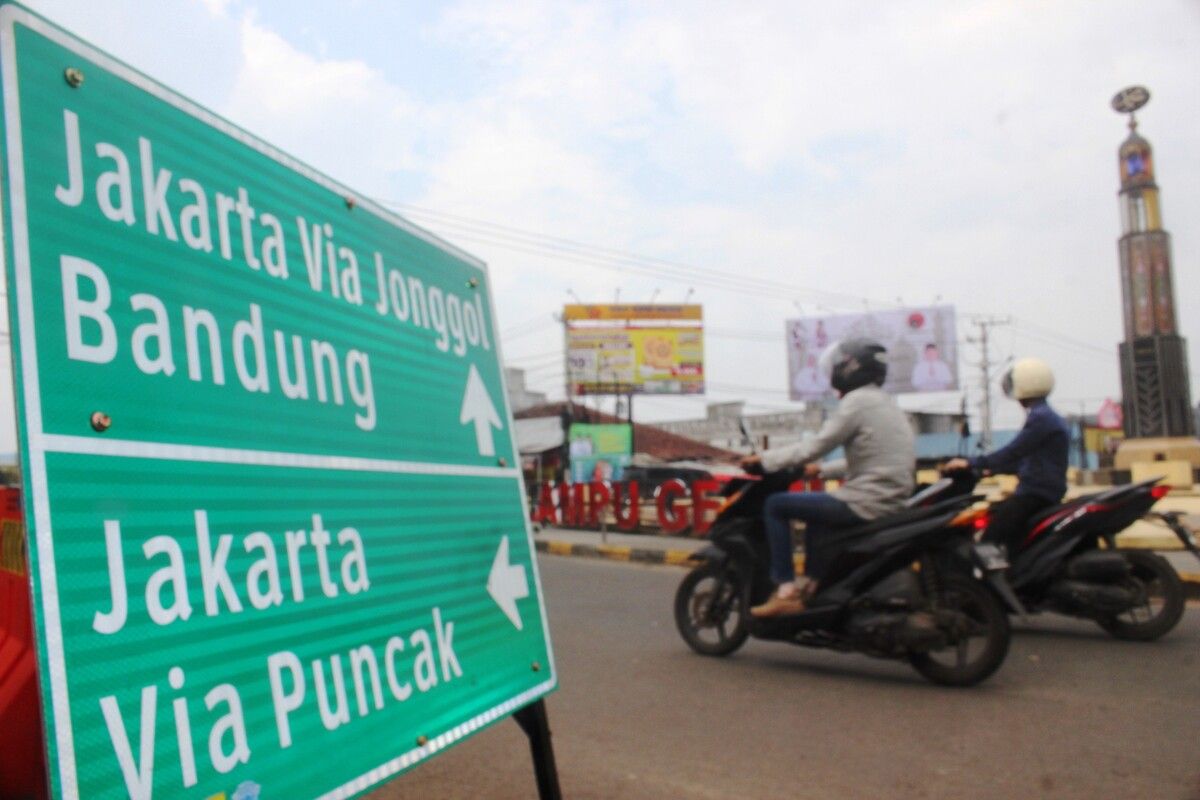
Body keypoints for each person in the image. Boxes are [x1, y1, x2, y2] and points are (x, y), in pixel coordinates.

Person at [740, 339, 916, 617]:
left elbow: (814, 447)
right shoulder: (887, 404)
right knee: (816, 510)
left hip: (866, 501)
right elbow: (870, 456)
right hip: (891, 497)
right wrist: (821, 471)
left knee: (776, 505)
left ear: (850, 368)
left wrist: (764, 460)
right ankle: (813, 584)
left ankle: (785, 590)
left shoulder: (856, 403)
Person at [944, 358, 1069, 555]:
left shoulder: (1040, 418)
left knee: (990, 538)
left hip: (1035, 494)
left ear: (1027, 384)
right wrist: (989, 470)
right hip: (1042, 492)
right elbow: (1025, 460)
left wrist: (969, 462)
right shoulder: (1046, 415)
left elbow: (1013, 452)